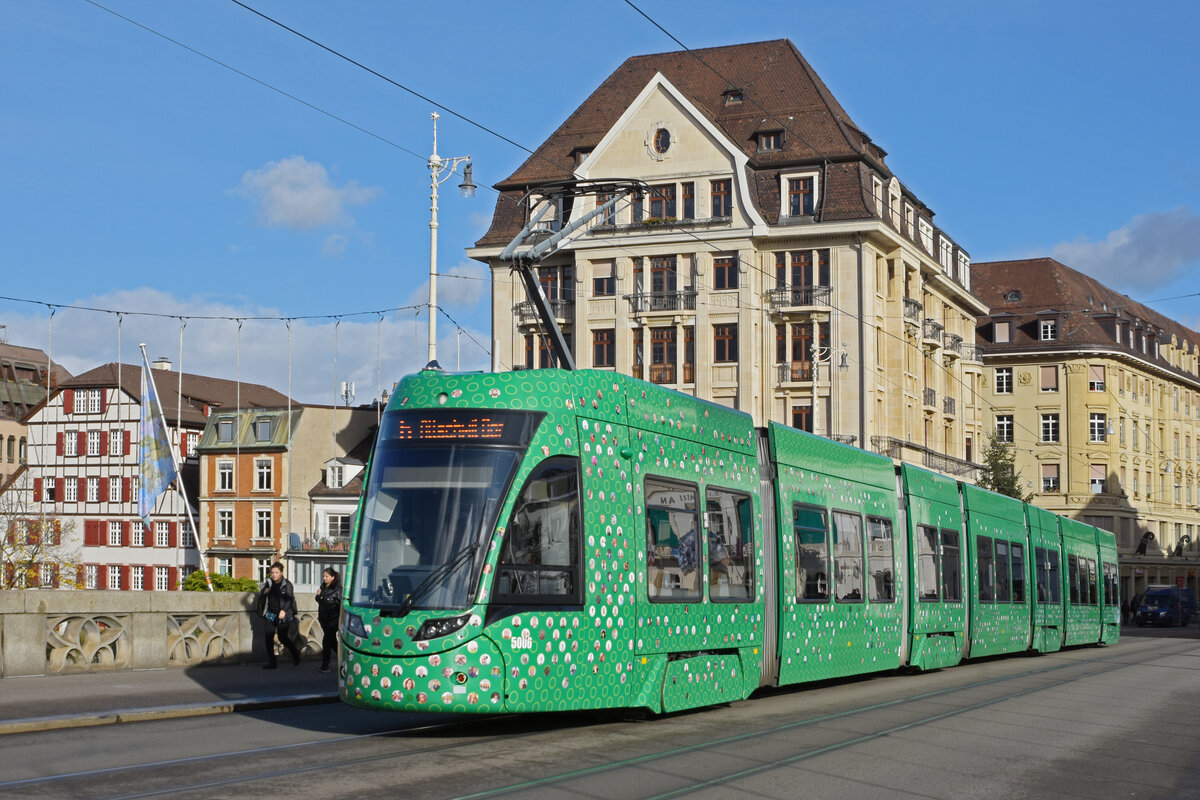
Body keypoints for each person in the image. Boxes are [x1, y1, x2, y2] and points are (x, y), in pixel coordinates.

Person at [257, 561, 302, 669]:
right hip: (270, 614)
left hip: (282, 615)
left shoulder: (287, 584)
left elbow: (289, 599)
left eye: (276, 572)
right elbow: (261, 592)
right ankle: (272, 662)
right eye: (272, 572)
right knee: (268, 638)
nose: (274, 575)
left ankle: (295, 653)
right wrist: (264, 592)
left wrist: (284, 610)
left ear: (281, 572)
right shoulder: (269, 582)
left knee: (282, 637)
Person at [315, 567, 342, 673]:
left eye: (327, 576)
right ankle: (344, 659)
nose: (324, 578)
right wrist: (318, 596)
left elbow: (340, 604)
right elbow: (319, 600)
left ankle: (325, 665)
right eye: (323, 576)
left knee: (326, 641)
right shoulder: (323, 587)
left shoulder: (337, 589)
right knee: (332, 642)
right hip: (324, 618)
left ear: (332, 577)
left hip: (333, 619)